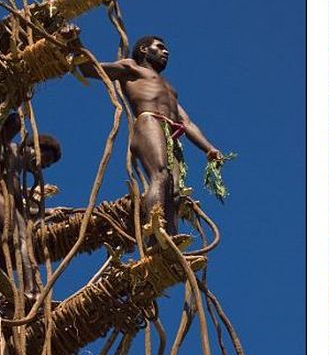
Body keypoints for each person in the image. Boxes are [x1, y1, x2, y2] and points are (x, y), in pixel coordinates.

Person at [79, 36, 222, 236]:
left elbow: (186, 123)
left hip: (169, 132)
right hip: (149, 122)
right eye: (160, 47)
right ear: (145, 49)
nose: (166, 52)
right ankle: (156, 229)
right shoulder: (131, 67)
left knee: (173, 191)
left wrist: (209, 148)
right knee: (160, 174)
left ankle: (169, 242)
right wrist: (75, 43)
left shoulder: (169, 88)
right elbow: (90, 69)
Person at [0, 113, 62, 300]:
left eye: (48, 166)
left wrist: (46, 214)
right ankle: (32, 290)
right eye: (45, 159)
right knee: (20, 233)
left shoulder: (13, 163)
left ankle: (7, 296)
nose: (43, 166)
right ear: (32, 147)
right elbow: (14, 198)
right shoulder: (10, 150)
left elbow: (17, 203)